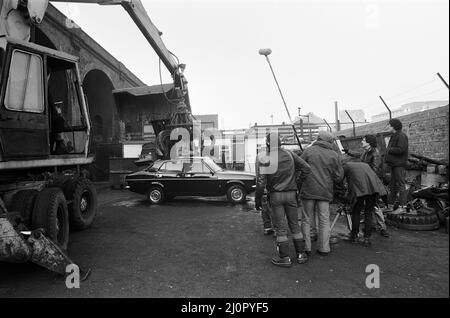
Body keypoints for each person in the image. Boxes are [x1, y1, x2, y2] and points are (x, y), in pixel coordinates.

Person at [255, 132, 311, 267]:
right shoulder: (291, 154)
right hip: (292, 194)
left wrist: (258, 200)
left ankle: (285, 258)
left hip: (275, 195)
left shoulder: (265, 157)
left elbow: (261, 183)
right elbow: (306, 168)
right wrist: (297, 183)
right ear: (280, 142)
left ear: (268, 143)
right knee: (294, 224)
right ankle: (301, 255)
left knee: (280, 227)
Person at [299, 131, 344, 263]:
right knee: (324, 219)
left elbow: (299, 166)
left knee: (307, 219)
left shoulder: (309, 151)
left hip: (308, 190)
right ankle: (324, 248)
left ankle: (306, 248)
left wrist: (301, 181)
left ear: (318, 139)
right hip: (325, 192)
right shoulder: (334, 154)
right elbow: (339, 177)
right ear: (330, 141)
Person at [344, 135, 389, 237]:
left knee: (375, 207)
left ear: (369, 142)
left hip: (372, 183)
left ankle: (382, 227)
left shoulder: (375, 154)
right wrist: (348, 151)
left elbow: (375, 171)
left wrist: (365, 178)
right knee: (369, 209)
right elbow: (359, 155)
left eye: (363, 141)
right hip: (366, 183)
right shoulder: (366, 152)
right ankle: (370, 228)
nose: (361, 142)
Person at [342, 161, 387, 246]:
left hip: (360, 189)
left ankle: (354, 236)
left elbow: (340, 179)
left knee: (356, 211)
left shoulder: (346, 166)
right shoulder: (365, 165)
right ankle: (367, 239)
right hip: (374, 188)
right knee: (368, 213)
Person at [385, 118, 409, 207]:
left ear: (393, 126)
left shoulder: (401, 136)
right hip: (394, 164)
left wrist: (389, 150)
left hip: (399, 165)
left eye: (389, 125)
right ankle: (390, 205)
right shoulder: (394, 135)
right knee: (393, 186)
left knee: (400, 184)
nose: (387, 126)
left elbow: (401, 149)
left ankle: (403, 206)